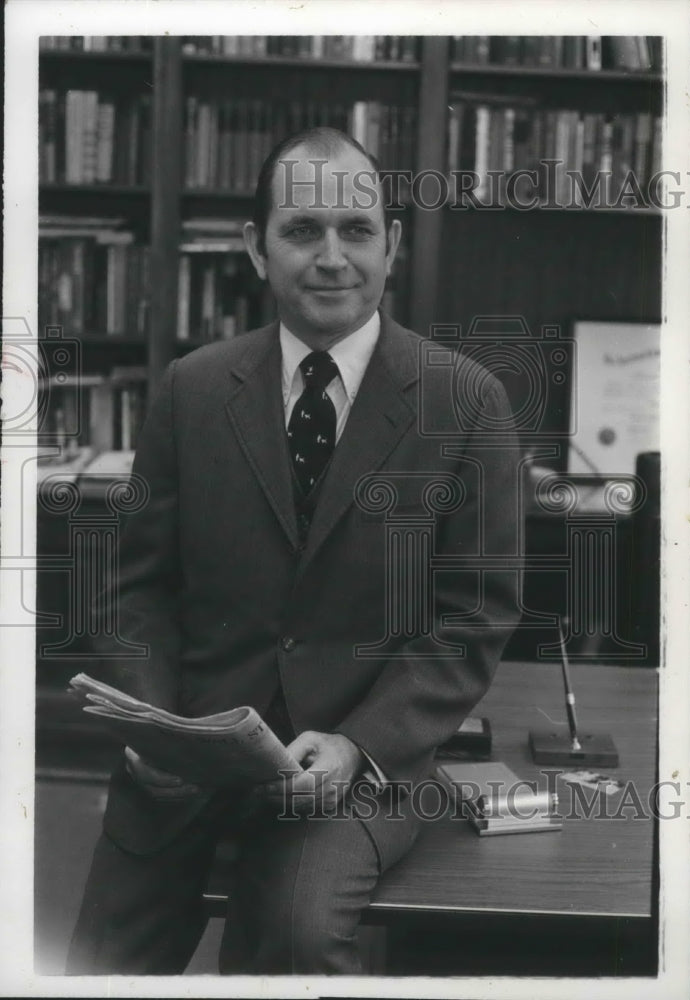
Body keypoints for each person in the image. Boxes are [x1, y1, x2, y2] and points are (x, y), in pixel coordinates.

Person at [66, 127, 521, 975]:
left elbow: (472, 616)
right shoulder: (191, 389)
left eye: (356, 231)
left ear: (394, 242)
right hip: (194, 743)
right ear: (255, 249)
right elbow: (133, 589)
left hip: (357, 762)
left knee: (297, 935)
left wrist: (359, 744)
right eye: (302, 230)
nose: (332, 257)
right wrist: (159, 726)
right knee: (100, 963)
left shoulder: (466, 401)